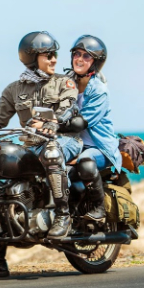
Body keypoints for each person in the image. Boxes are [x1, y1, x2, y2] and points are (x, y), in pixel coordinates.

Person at [0, 31, 82, 278]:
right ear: (32, 58)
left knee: (51, 152)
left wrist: (56, 122)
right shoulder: (14, 89)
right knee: (2, 183)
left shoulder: (64, 83)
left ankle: (63, 215)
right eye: (48, 55)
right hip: (32, 145)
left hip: (64, 141)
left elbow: (68, 107)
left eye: (54, 55)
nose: (54, 59)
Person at [58, 35, 122, 222]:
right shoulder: (67, 82)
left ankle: (98, 209)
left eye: (86, 56)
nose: (79, 59)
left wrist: (53, 122)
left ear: (96, 62)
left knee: (85, 162)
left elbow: (80, 123)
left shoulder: (99, 90)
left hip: (99, 148)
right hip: (74, 144)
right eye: (77, 54)